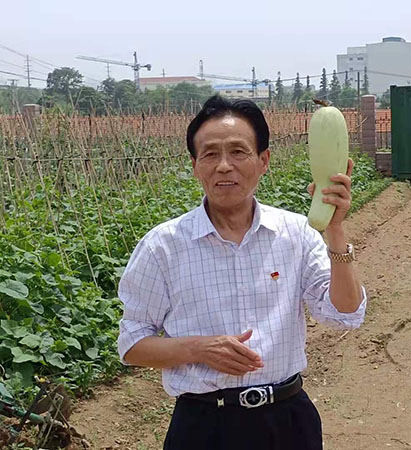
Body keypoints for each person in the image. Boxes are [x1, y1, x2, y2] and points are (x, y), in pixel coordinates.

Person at [117, 94, 367, 450]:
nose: (224, 166)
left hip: (288, 422)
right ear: (195, 165)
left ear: (263, 161)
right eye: (210, 154)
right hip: (203, 427)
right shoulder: (163, 246)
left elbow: (344, 313)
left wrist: (336, 229)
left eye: (238, 152)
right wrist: (199, 349)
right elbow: (132, 345)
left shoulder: (295, 234)